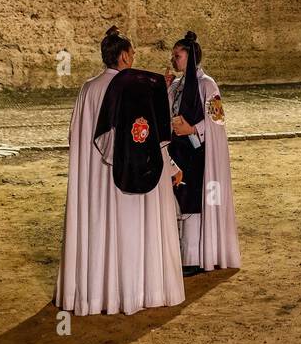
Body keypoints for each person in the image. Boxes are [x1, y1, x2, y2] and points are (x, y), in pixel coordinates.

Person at [56, 27, 185, 315]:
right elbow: (150, 137)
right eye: (133, 53)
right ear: (125, 56)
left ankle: (97, 294)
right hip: (131, 180)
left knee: (102, 230)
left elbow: (75, 137)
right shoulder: (139, 87)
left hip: (97, 183)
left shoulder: (88, 89)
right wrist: (171, 168)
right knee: (131, 232)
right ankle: (142, 290)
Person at [167, 31, 240, 274]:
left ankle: (195, 257)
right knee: (180, 198)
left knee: (195, 201)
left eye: (177, 56)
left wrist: (192, 129)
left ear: (190, 57)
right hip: (178, 152)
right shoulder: (176, 85)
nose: (173, 60)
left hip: (199, 154)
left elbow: (217, 121)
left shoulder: (208, 85)